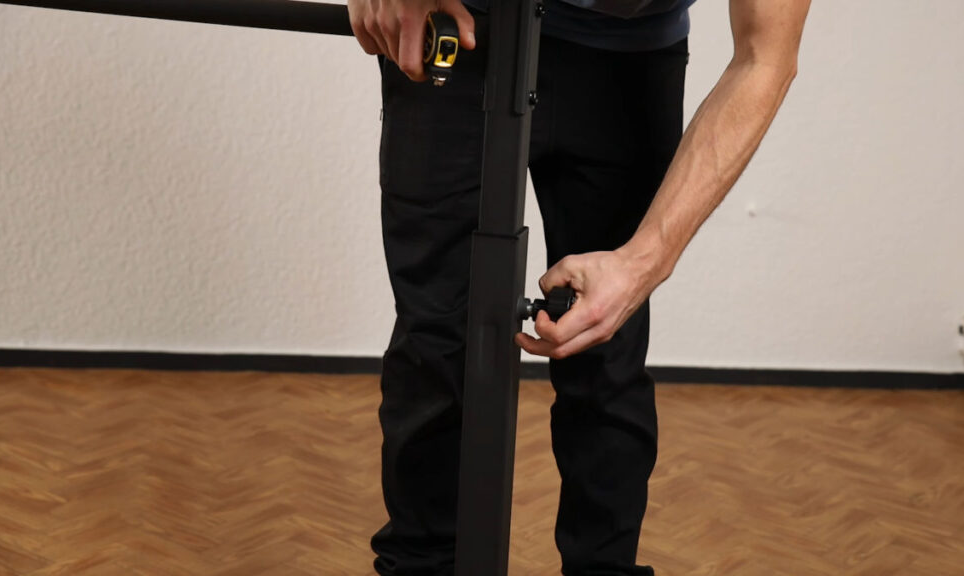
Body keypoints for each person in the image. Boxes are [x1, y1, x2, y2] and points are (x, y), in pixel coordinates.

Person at [346, 0, 811, 574]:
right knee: (437, 340)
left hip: (627, 53)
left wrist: (643, 263)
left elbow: (766, 58)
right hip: (464, 28)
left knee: (604, 347)